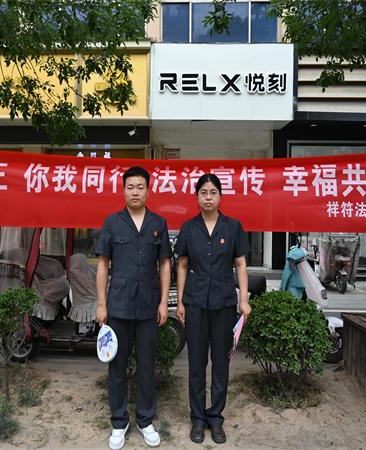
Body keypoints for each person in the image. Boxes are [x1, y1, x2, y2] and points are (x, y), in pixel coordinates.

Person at [95, 166, 173, 450]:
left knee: (146, 367)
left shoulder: (158, 222)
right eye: (130, 187)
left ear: (148, 190)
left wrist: (164, 302)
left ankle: (145, 420)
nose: (135, 192)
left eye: (140, 187)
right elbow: (103, 264)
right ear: (124, 190)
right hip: (118, 306)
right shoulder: (112, 222)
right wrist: (101, 304)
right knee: (117, 366)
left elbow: (165, 264)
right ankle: (119, 422)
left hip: (149, 306)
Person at [174, 174, 252, 445]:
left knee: (221, 363)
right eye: (203, 192)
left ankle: (215, 418)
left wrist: (243, 300)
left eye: (213, 192)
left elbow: (240, 264)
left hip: (224, 304)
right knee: (196, 364)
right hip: (195, 303)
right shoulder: (188, 227)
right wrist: (180, 301)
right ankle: (198, 418)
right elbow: (182, 265)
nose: (208, 197)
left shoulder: (233, 227)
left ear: (220, 196)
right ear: (197, 196)